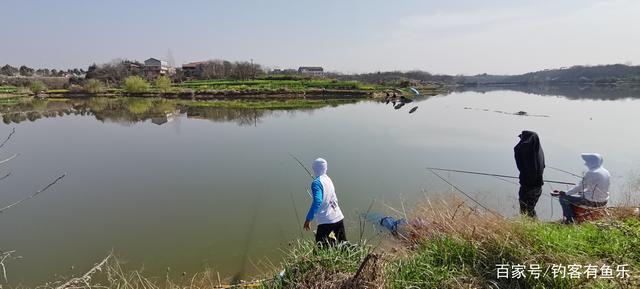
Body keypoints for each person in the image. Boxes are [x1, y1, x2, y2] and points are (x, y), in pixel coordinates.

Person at [554, 153, 610, 224]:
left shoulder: (591, 173)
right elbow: (591, 187)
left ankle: (569, 220)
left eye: (587, 162)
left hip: (592, 202)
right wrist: (582, 191)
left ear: (592, 162)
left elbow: (579, 187)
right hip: (604, 201)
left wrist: (565, 193)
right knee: (580, 193)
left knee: (563, 198)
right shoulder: (605, 171)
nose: (585, 164)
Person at [303, 158, 346, 245]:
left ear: (314, 168)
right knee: (343, 245)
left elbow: (317, 201)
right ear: (325, 168)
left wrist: (308, 219)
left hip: (326, 221)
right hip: (338, 217)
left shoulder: (316, 183)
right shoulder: (328, 179)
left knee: (320, 248)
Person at [514, 130, 545, 218]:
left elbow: (518, 150)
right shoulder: (537, 152)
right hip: (537, 187)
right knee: (529, 210)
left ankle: (531, 227)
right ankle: (532, 226)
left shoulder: (528, 153)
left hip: (528, 187)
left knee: (526, 210)